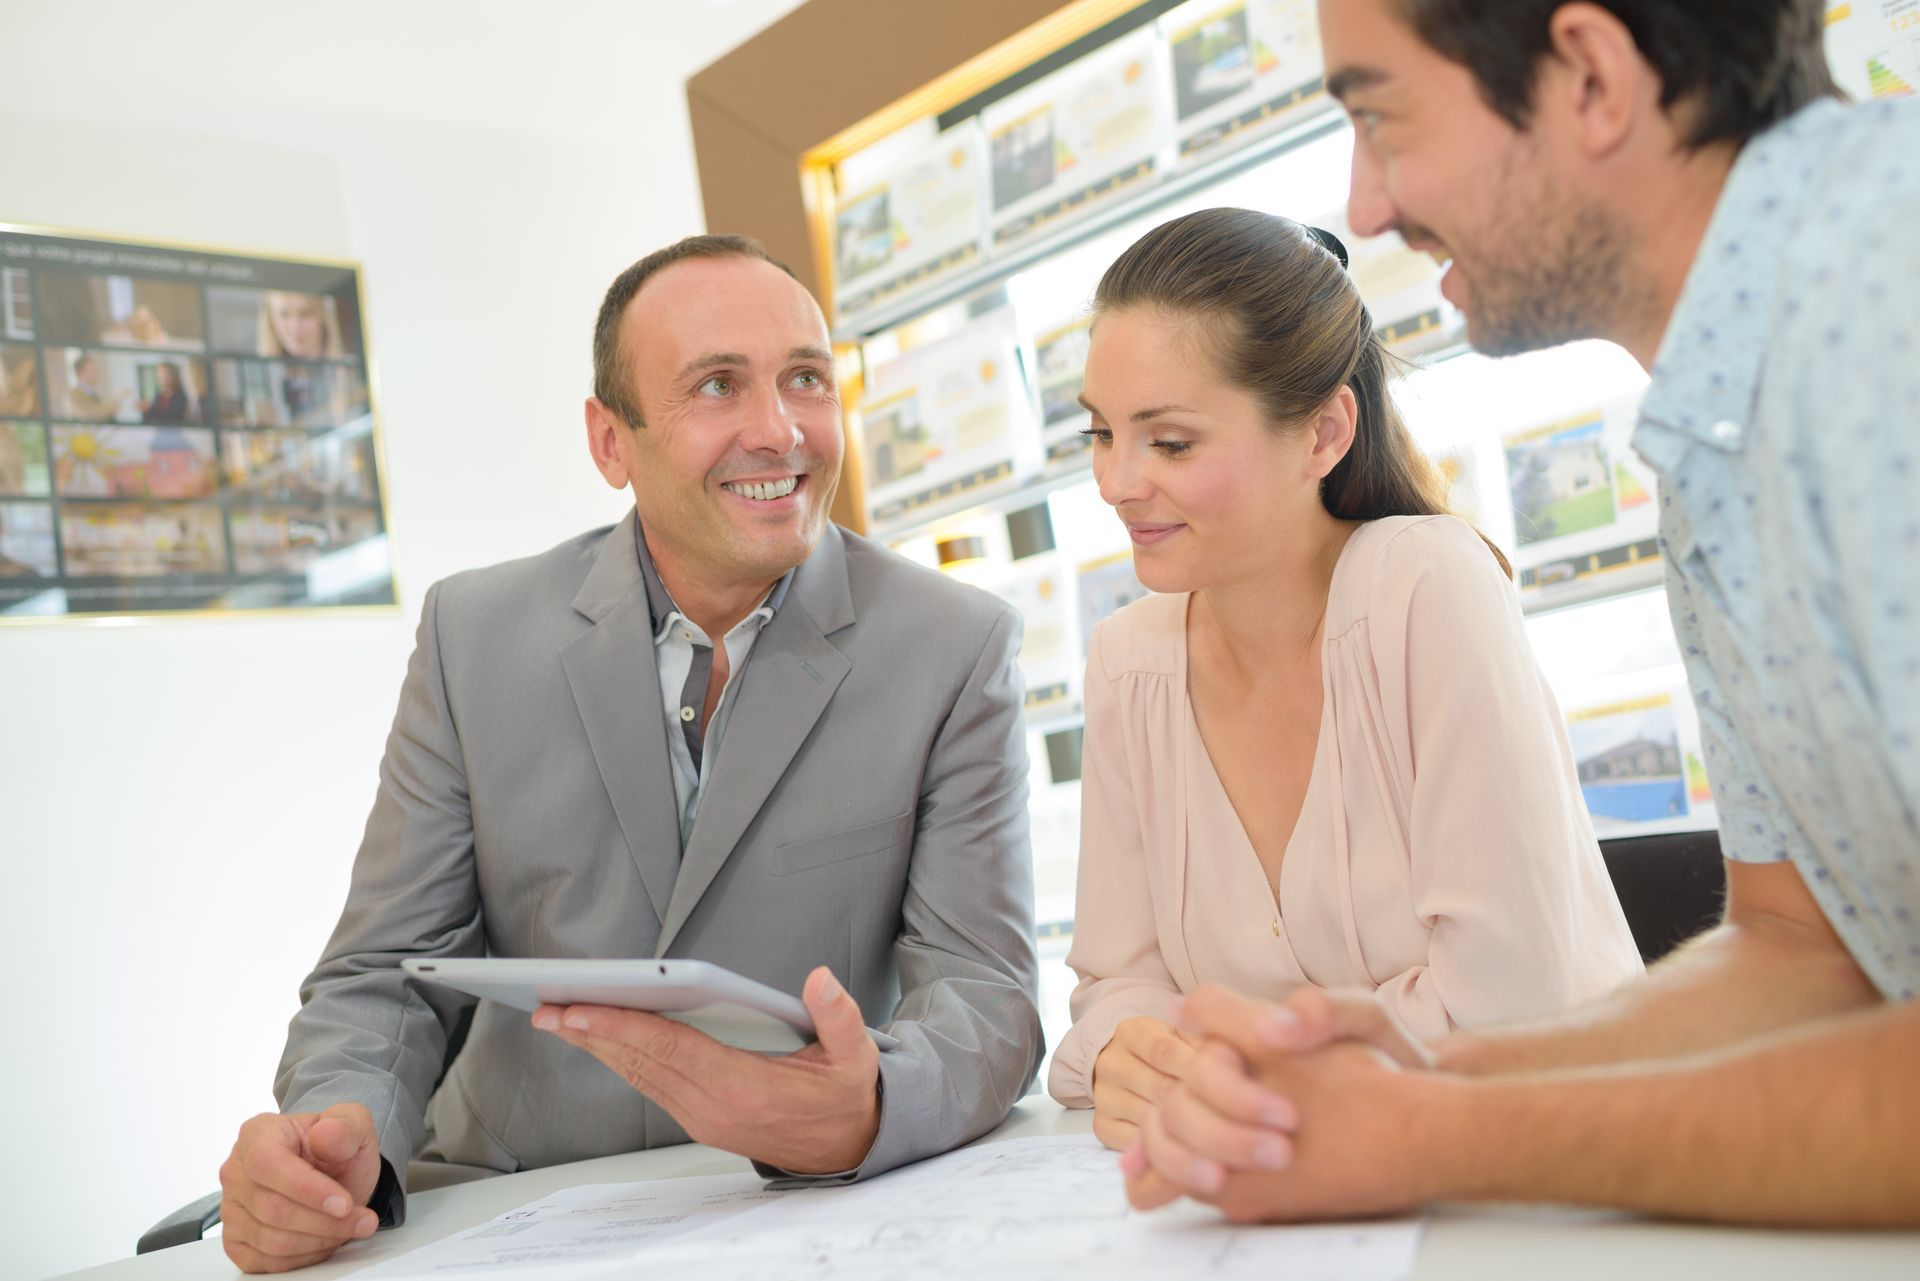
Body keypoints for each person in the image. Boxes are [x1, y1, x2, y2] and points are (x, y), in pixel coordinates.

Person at [1123, 0, 1920, 1228]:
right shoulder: (1714, 437)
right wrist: (1415, 1079)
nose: (1368, 203)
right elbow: (1803, 951)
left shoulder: (1891, 302)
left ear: (1592, 75)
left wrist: (1446, 1131)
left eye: (1380, 115)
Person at [211, 234, 1044, 1274]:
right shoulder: (474, 636)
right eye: (717, 386)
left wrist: (865, 1106)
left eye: (805, 379)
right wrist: (336, 1140)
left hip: (804, 1215)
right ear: (612, 443)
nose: (778, 429)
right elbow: (386, 972)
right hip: (508, 1211)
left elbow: (986, 993)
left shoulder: (954, 645)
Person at [1050, 208, 1641, 1150]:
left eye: (1169, 443)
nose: (1118, 481)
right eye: (1100, 432)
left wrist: (1226, 1074)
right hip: (1299, 1194)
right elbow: (1117, 982)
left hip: (1550, 1169)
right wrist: (1132, 1047)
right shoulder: (1129, 663)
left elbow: (1508, 997)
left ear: (1324, 432)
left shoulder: (1425, 583)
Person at [258, 289, 345, 359]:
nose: (294, 326)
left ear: (323, 317)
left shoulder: (352, 372)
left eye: (305, 314)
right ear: (270, 320)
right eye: (284, 314)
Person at [62, 352, 124, 422]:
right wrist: (115, 400)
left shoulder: (93, 391)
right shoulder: (73, 394)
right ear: (82, 372)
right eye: (93, 369)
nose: (96, 372)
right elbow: (91, 414)